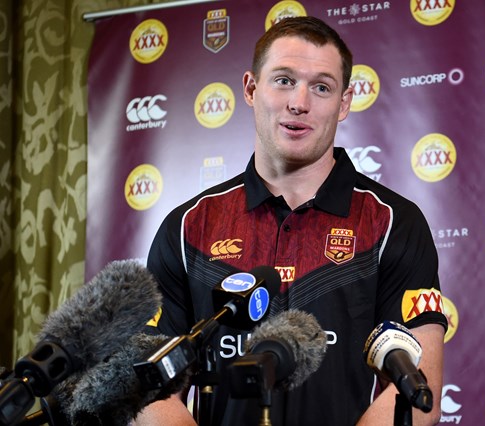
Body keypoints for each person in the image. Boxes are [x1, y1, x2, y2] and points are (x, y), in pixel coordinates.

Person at [136, 16, 446, 426]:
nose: (299, 102)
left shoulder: (393, 223)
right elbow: (150, 391)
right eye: (283, 80)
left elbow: (419, 393)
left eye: (321, 87)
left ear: (344, 103)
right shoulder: (187, 227)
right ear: (251, 89)